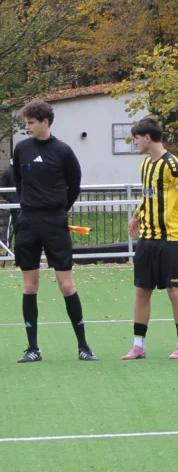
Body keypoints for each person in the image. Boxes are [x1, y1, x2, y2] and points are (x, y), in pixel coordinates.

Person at [11, 99, 96, 363]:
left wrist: (58, 210)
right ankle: (32, 349)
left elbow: (74, 185)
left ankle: (83, 347)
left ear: (45, 122)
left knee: (66, 285)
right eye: (26, 122)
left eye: (30, 122)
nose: (26, 127)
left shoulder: (63, 151)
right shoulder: (22, 149)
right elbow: (19, 183)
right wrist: (30, 207)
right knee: (29, 286)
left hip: (55, 222)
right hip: (28, 222)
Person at [121, 117, 178, 361]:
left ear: (147, 138)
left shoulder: (172, 165)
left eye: (136, 138)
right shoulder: (145, 165)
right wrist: (136, 216)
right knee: (142, 290)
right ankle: (138, 345)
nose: (134, 142)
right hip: (147, 238)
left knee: (174, 289)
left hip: (169, 239)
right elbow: (148, 196)